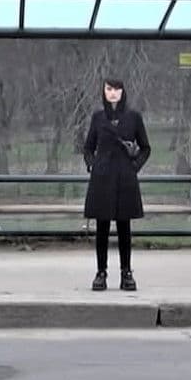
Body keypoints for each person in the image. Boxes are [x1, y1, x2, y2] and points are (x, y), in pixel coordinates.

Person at [82, 78, 151, 291]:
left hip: (124, 179)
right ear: (104, 92)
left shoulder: (133, 117)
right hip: (102, 179)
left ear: (123, 92)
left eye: (117, 89)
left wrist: (134, 167)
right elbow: (88, 148)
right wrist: (93, 165)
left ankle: (126, 273)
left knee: (124, 227)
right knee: (102, 227)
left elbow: (146, 148)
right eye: (109, 89)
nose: (113, 93)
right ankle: (101, 273)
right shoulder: (98, 117)